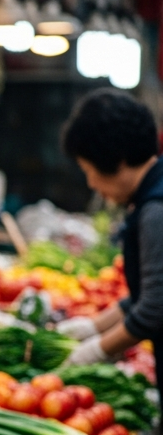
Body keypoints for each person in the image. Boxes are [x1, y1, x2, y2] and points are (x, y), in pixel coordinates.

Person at [56, 88, 163, 366]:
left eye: (88, 171)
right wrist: (95, 326)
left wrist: (96, 350)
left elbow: (155, 308)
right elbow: (148, 293)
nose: (91, 183)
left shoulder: (156, 211)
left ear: (115, 159)